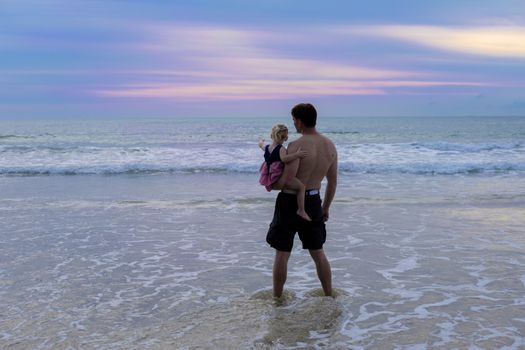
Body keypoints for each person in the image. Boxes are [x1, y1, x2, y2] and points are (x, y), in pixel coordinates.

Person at [266, 103, 338, 298]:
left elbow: (288, 181)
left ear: (299, 120)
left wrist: (270, 183)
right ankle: (328, 295)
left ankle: (277, 299)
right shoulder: (330, 146)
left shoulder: (296, 146)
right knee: (318, 252)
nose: (294, 124)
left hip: (290, 202)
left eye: (293, 120)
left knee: (282, 252)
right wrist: (325, 208)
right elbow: (332, 182)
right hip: (314, 202)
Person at [258, 124, 311, 221]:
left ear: (271, 136)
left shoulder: (267, 147)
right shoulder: (281, 149)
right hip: (277, 175)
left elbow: (261, 145)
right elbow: (284, 159)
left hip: (269, 174)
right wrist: (297, 155)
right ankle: (301, 210)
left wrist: (261, 141)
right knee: (301, 187)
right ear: (285, 138)